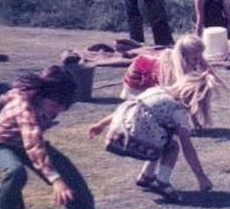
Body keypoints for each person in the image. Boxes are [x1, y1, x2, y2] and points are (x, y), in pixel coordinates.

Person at [0, 65, 98, 209]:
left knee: (70, 175)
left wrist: (61, 177)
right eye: (54, 105)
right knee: (15, 173)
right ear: (40, 96)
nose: (57, 111)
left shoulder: (39, 98)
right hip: (4, 144)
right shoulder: (25, 108)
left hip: (31, 142)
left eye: (62, 107)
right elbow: (33, 146)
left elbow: (7, 97)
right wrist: (55, 179)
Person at [88, 72, 220, 202]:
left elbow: (130, 108)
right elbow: (188, 148)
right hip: (132, 142)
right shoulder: (178, 111)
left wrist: (101, 124)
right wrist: (201, 176)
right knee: (172, 145)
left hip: (116, 136)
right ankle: (162, 181)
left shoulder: (156, 90)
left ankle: (146, 176)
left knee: (163, 134)